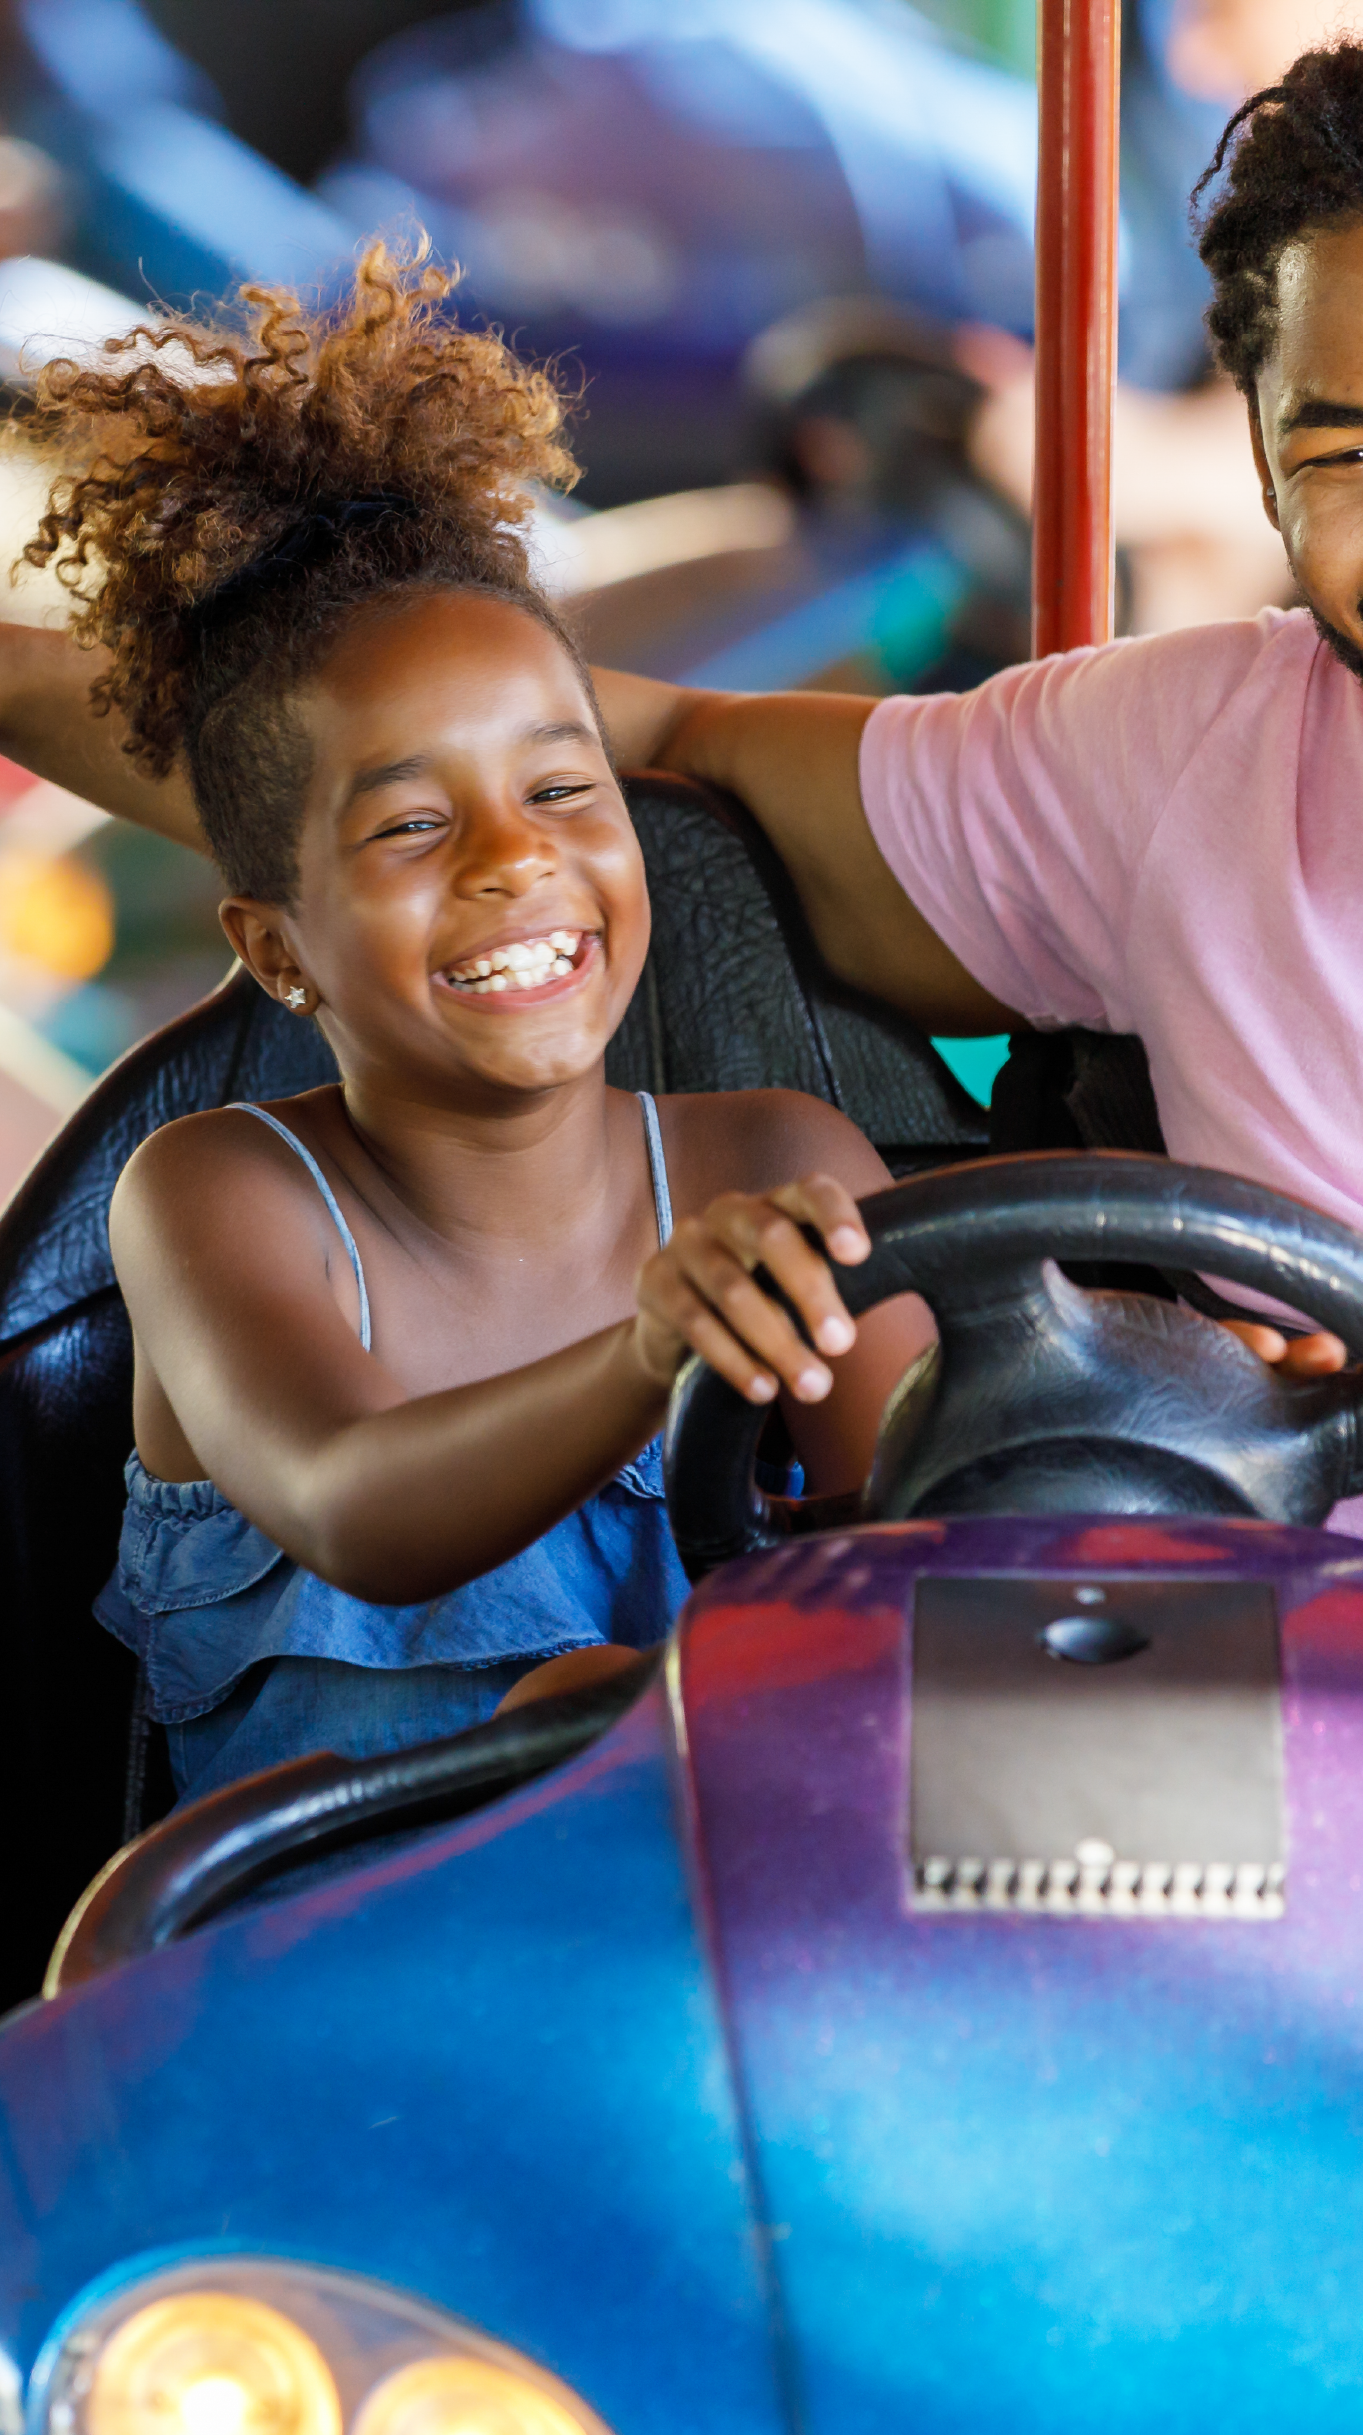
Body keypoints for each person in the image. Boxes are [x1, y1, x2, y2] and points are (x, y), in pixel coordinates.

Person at [4, 5, 1363, 1729]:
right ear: (1254, 466)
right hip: (1234, 1750)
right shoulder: (1190, 755)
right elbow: (564, 755)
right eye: (1345, 452)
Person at [20, 244, 931, 1807]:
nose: (517, 859)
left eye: (563, 790)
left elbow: (938, 1574)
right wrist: (653, 1347)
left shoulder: (783, 1161)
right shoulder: (214, 1200)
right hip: (321, 1980)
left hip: (716, 1974)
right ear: (275, 947)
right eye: (406, 828)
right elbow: (352, 1503)